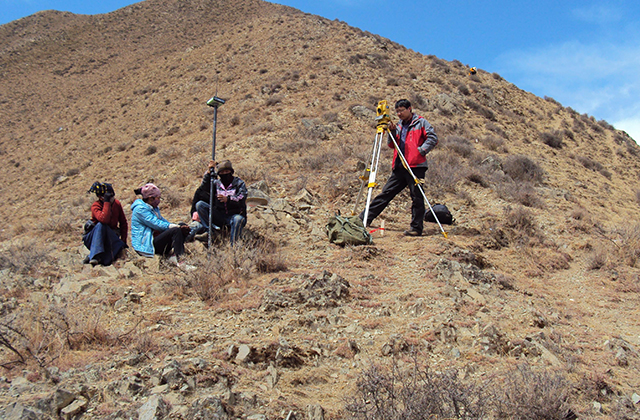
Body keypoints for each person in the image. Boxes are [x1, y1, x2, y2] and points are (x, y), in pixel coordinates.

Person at [360, 99, 438, 236]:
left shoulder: (421, 122)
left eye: (402, 110)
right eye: (397, 111)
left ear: (410, 109)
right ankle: (364, 218)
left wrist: (421, 151)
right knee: (386, 193)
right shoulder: (399, 125)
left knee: (417, 197)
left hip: (415, 166)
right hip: (400, 165)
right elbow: (392, 144)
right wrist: (392, 132)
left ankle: (416, 228)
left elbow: (432, 138)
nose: (399, 113)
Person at [131, 183, 193, 267]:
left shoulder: (153, 208)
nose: (159, 200)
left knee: (180, 226)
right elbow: (156, 224)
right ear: (150, 198)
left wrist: (177, 226)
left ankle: (173, 256)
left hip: (155, 238)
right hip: (147, 244)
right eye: (158, 198)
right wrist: (174, 227)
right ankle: (181, 262)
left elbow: (163, 221)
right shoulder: (140, 209)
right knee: (176, 230)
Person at [193, 160, 247, 245]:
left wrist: (228, 199)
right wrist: (209, 171)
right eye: (222, 172)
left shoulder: (238, 183)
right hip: (219, 215)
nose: (225, 174)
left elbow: (242, 197)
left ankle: (234, 245)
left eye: (227, 171)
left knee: (238, 219)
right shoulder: (216, 183)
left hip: (233, 215)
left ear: (231, 172)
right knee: (200, 205)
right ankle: (210, 232)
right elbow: (204, 188)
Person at [83, 182, 128, 266]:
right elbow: (104, 220)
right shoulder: (96, 206)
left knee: (117, 248)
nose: (112, 199)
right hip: (94, 238)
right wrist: (106, 203)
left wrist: (123, 240)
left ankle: (98, 257)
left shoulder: (116, 204)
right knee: (101, 225)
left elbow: (123, 223)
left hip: (110, 235)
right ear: (101, 197)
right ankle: (95, 255)